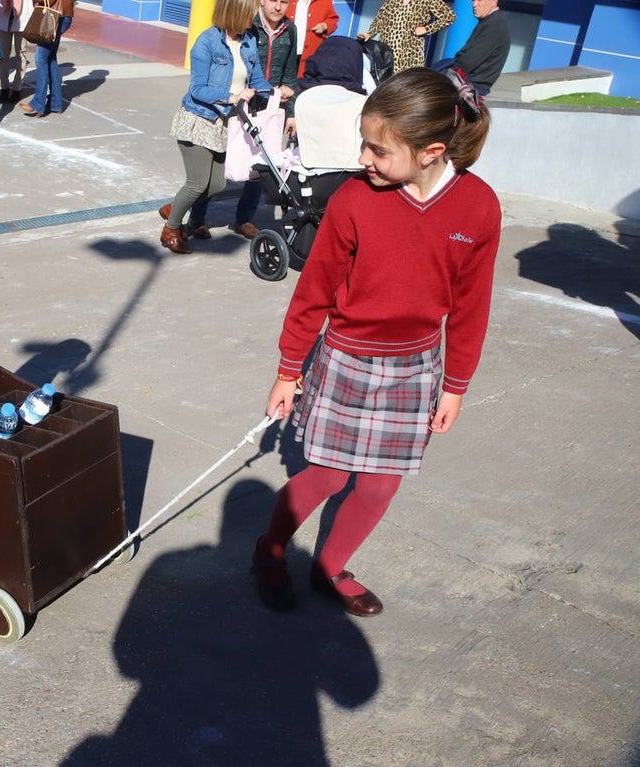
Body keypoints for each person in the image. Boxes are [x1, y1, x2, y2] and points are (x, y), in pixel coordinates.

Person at [251, 68, 499, 618]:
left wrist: (455, 386)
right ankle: (269, 553)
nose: (364, 159)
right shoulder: (354, 199)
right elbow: (312, 291)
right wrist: (289, 369)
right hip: (344, 359)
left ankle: (329, 566)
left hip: (415, 368)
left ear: (432, 151)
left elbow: (471, 307)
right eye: (363, 144)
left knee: (382, 485)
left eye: (378, 150)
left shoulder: (478, 208)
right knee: (327, 473)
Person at [157, 0, 271, 254]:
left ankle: (175, 206)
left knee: (217, 185)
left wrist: (272, 91)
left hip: (225, 123)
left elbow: (257, 78)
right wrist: (231, 97)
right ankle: (171, 229)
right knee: (197, 184)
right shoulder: (207, 42)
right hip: (199, 119)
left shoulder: (249, 40)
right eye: (249, 13)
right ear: (234, 12)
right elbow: (197, 89)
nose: (253, 18)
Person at [190, 0, 296, 241]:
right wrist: (236, 97)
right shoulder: (248, 25)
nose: (278, 7)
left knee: (259, 164)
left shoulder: (290, 29)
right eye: (273, 1)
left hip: (268, 102)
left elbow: (290, 70)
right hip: (238, 103)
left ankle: (244, 219)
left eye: (284, 2)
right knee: (215, 166)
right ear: (261, 2)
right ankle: (195, 215)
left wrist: (288, 107)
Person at [433, 0, 510, 97]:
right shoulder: (489, 21)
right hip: (469, 83)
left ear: (493, 1)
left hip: (471, 87)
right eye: (473, 0)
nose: (474, 4)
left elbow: (467, 62)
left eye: (479, 0)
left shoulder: (494, 25)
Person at [357, 0, 455, 73]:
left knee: (404, 89)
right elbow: (380, 18)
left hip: (409, 55)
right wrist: (369, 33)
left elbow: (449, 16)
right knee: (384, 86)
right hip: (387, 53)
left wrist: (426, 29)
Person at [19, 0, 73, 118]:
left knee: (41, 58)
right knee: (51, 59)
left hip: (54, 16)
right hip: (62, 15)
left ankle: (38, 104)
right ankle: (55, 103)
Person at [287, 0, 338, 78]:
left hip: (311, 53)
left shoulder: (325, 1)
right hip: (287, 52)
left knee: (304, 83)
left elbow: (333, 20)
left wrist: (324, 26)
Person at [0, 0, 31, 102]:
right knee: (3, 55)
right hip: (4, 15)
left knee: (21, 55)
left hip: (23, 18)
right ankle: (4, 88)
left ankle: (17, 88)